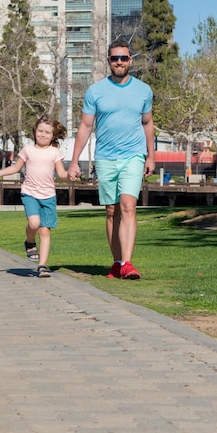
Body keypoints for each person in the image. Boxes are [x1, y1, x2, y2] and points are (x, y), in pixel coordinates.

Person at [67, 40, 155, 280]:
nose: (119, 62)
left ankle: (127, 263)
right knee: (111, 210)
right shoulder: (95, 91)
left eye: (123, 58)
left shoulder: (143, 90)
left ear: (131, 61)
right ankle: (117, 263)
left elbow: (147, 123)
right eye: (115, 58)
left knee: (128, 206)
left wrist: (151, 156)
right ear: (108, 61)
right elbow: (85, 126)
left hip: (133, 155)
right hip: (105, 157)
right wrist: (74, 161)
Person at [0, 116, 67, 277]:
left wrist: (70, 174)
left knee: (45, 231)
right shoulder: (27, 150)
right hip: (30, 193)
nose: (43, 135)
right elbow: (15, 168)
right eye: (40, 131)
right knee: (34, 223)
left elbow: (61, 173)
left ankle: (42, 266)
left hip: (48, 196)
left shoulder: (55, 152)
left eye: (47, 132)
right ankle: (30, 242)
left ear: (53, 135)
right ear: (34, 132)